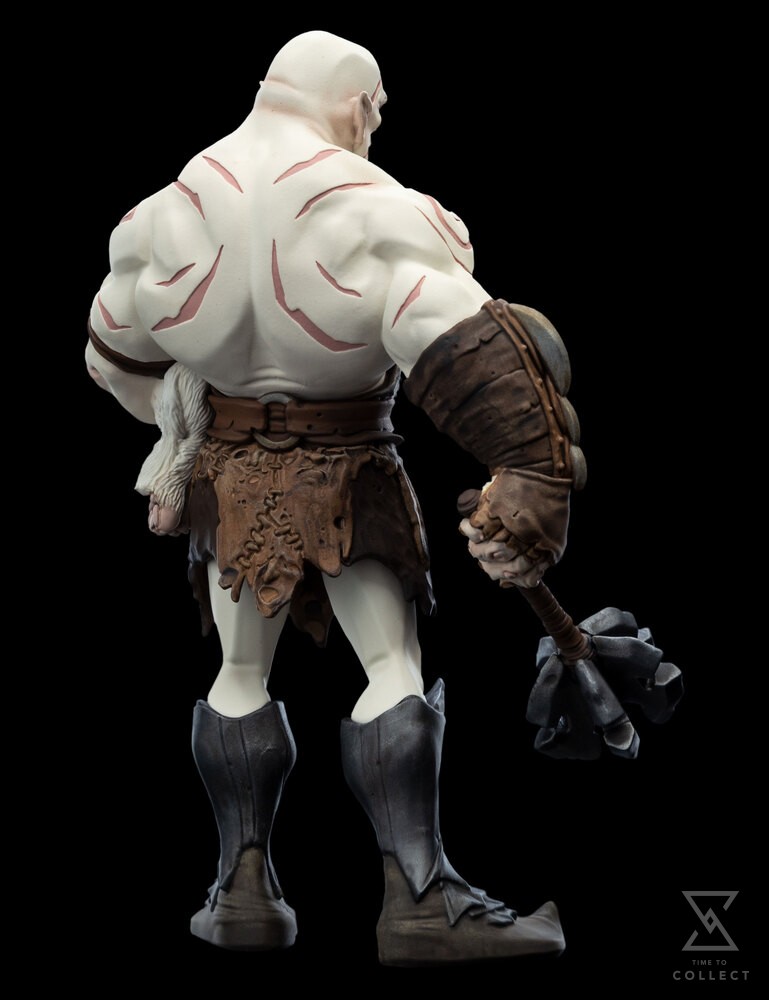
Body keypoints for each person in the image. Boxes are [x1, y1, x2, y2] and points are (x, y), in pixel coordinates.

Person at [86, 30, 584, 965]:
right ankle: (420, 904)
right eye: (375, 111)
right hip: (350, 469)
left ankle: (239, 896)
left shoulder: (161, 216)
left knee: (240, 670)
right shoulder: (373, 206)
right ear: (357, 104)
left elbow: (110, 355)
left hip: (229, 476)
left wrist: (181, 419)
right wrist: (529, 475)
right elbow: (464, 350)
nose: (373, 127)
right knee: (389, 663)